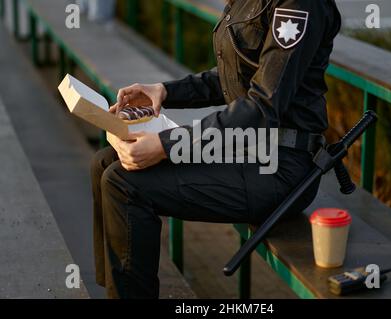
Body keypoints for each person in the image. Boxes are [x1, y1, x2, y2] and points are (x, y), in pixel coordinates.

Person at [91, 0, 341, 298]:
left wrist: (166, 144)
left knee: (124, 183)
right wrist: (166, 91)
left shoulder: (299, 5)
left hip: (281, 169)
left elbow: (261, 108)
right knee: (106, 162)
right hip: (248, 150)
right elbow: (233, 78)